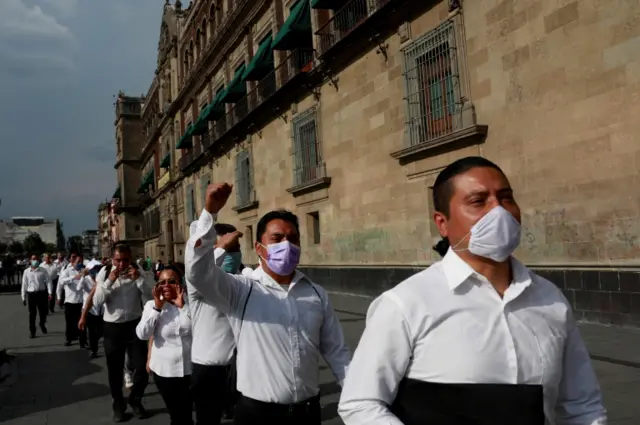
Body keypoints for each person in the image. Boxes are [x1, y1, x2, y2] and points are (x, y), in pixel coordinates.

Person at [338, 156, 607, 425]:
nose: (498, 211)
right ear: (442, 223)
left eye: (506, 198)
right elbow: (361, 403)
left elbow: (582, 405)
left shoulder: (550, 299)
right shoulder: (406, 303)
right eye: (479, 202)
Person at [186, 183, 351, 425]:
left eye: (293, 239)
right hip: (257, 415)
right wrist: (209, 214)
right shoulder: (242, 289)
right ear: (259, 247)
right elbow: (197, 272)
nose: (287, 245)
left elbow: (337, 352)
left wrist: (358, 394)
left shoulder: (316, 294)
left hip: (308, 413)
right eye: (277, 238)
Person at [185, 221, 238, 425]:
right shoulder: (197, 285)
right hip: (208, 368)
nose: (233, 253)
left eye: (236, 248)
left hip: (236, 366)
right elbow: (199, 272)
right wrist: (221, 248)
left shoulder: (239, 280)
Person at [93, 243, 153, 422]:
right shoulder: (104, 273)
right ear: (112, 259)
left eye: (125, 260)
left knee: (142, 367)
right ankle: (118, 404)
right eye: (118, 260)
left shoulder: (138, 271)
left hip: (135, 324)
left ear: (131, 259)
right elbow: (97, 302)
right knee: (115, 369)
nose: (121, 264)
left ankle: (135, 400)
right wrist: (110, 280)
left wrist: (139, 280)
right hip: (112, 327)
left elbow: (151, 297)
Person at [137, 267, 193, 425]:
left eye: (172, 281)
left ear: (180, 283)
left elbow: (202, 330)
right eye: (162, 282)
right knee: (175, 412)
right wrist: (157, 308)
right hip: (165, 370)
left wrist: (184, 307)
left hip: (190, 368)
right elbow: (143, 334)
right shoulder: (150, 306)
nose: (167, 285)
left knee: (187, 410)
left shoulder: (192, 303)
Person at [57, 254, 89, 347]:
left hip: (81, 301)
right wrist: (74, 277)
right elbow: (62, 282)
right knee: (70, 322)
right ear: (73, 262)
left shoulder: (84, 271)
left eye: (80, 262)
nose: (79, 263)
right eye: (78, 262)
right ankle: (68, 339)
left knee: (82, 322)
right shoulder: (67, 271)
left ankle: (83, 341)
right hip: (70, 301)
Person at [21, 254, 52, 338]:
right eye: (33, 259)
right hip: (31, 294)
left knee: (43, 312)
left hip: (41, 293)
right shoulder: (26, 271)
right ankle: (32, 331)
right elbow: (24, 284)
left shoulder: (43, 270)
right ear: (30, 260)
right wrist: (23, 297)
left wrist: (50, 292)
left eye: (36, 259)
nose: (35, 260)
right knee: (32, 314)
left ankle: (42, 324)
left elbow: (48, 281)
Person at [79, 264, 105, 358]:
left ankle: (96, 340)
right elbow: (78, 288)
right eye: (93, 271)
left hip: (101, 310)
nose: (95, 273)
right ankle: (94, 350)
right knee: (92, 331)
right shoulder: (86, 279)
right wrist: (83, 276)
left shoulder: (101, 280)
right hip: (90, 309)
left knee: (100, 331)